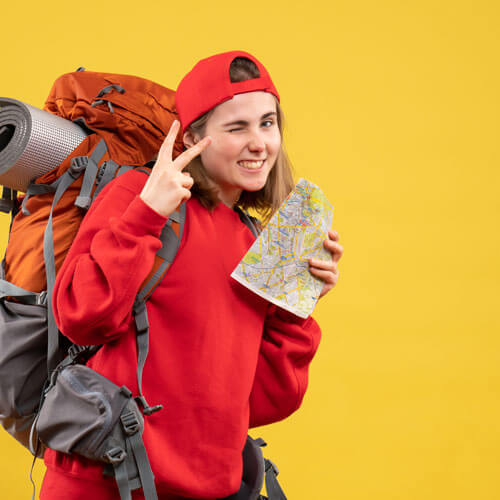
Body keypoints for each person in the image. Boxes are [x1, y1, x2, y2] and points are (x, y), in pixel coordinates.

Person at [40, 50, 343, 500]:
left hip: (206, 489)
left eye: (267, 123)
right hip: (105, 483)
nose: (259, 143)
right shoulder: (138, 194)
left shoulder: (253, 239)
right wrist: (146, 213)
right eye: (236, 128)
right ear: (192, 137)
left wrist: (294, 304)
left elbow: (260, 401)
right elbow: (81, 317)